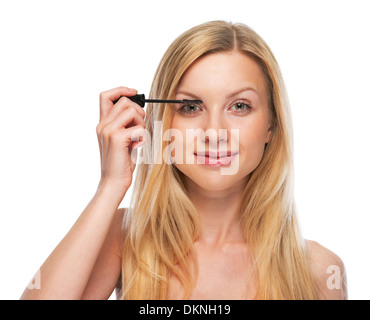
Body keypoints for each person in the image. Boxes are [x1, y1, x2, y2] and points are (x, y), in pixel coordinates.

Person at [21, 20, 347, 300]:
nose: (215, 132)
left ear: (270, 126)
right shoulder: (124, 239)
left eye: (240, 106)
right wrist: (110, 186)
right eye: (191, 108)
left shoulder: (319, 271)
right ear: (162, 125)